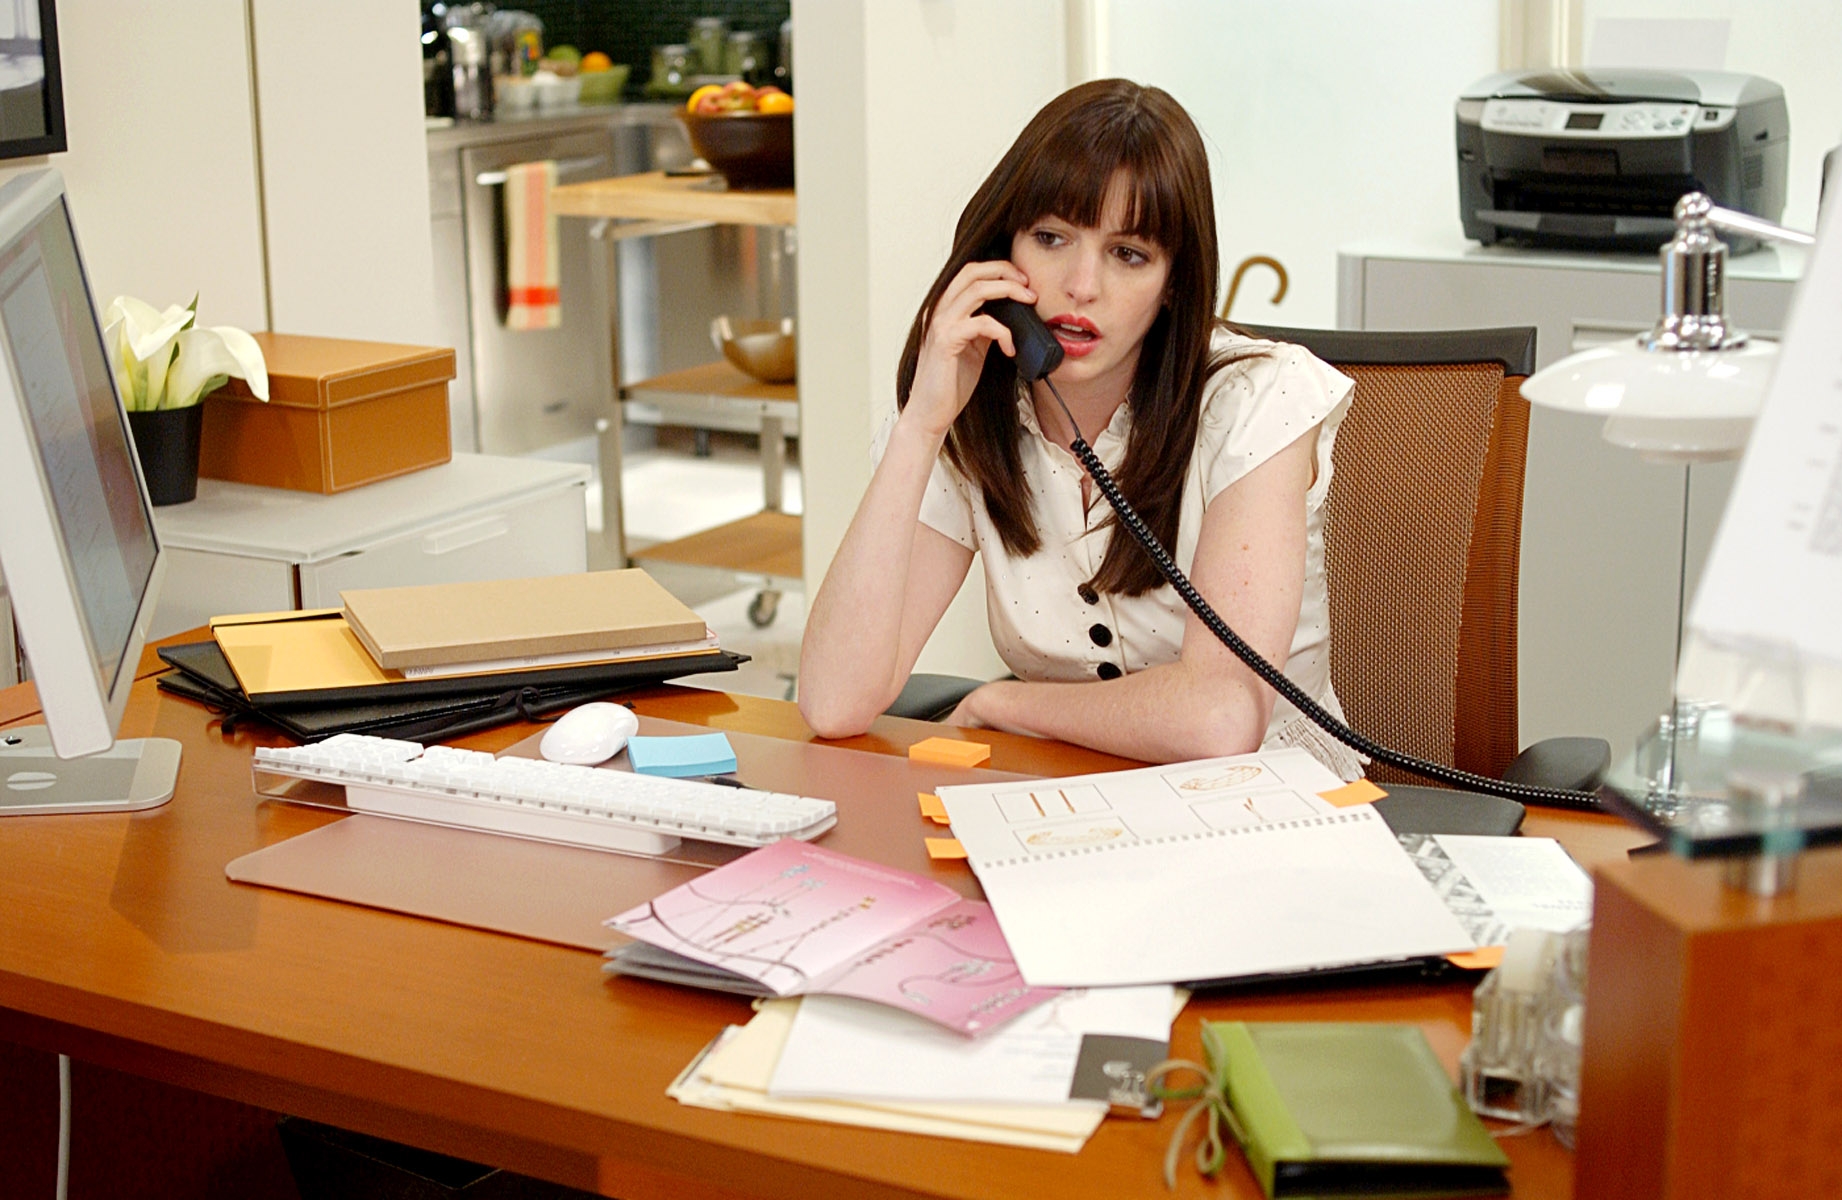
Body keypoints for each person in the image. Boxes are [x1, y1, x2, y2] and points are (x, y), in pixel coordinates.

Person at [798, 78, 1361, 778]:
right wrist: (921, 425)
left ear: (1173, 283)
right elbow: (833, 702)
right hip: (1058, 806)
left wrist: (1006, 705)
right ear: (1002, 252)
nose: (1081, 284)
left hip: (1268, 810)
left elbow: (1221, 717)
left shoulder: (1254, 399)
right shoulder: (974, 417)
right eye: (1051, 237)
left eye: (1128, 254)